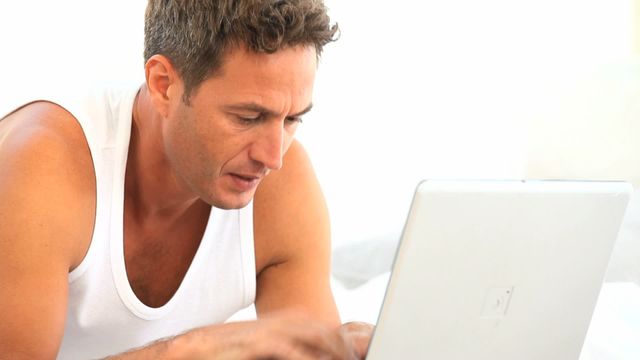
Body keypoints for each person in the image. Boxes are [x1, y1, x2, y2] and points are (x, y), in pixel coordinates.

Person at [0, 0, 373, 358]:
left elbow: (311, 351)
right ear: (163, 84)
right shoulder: (44, 165)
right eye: (247, 117)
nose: (272, 157)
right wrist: (188, 352)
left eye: (292, 119)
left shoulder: (284, 186)